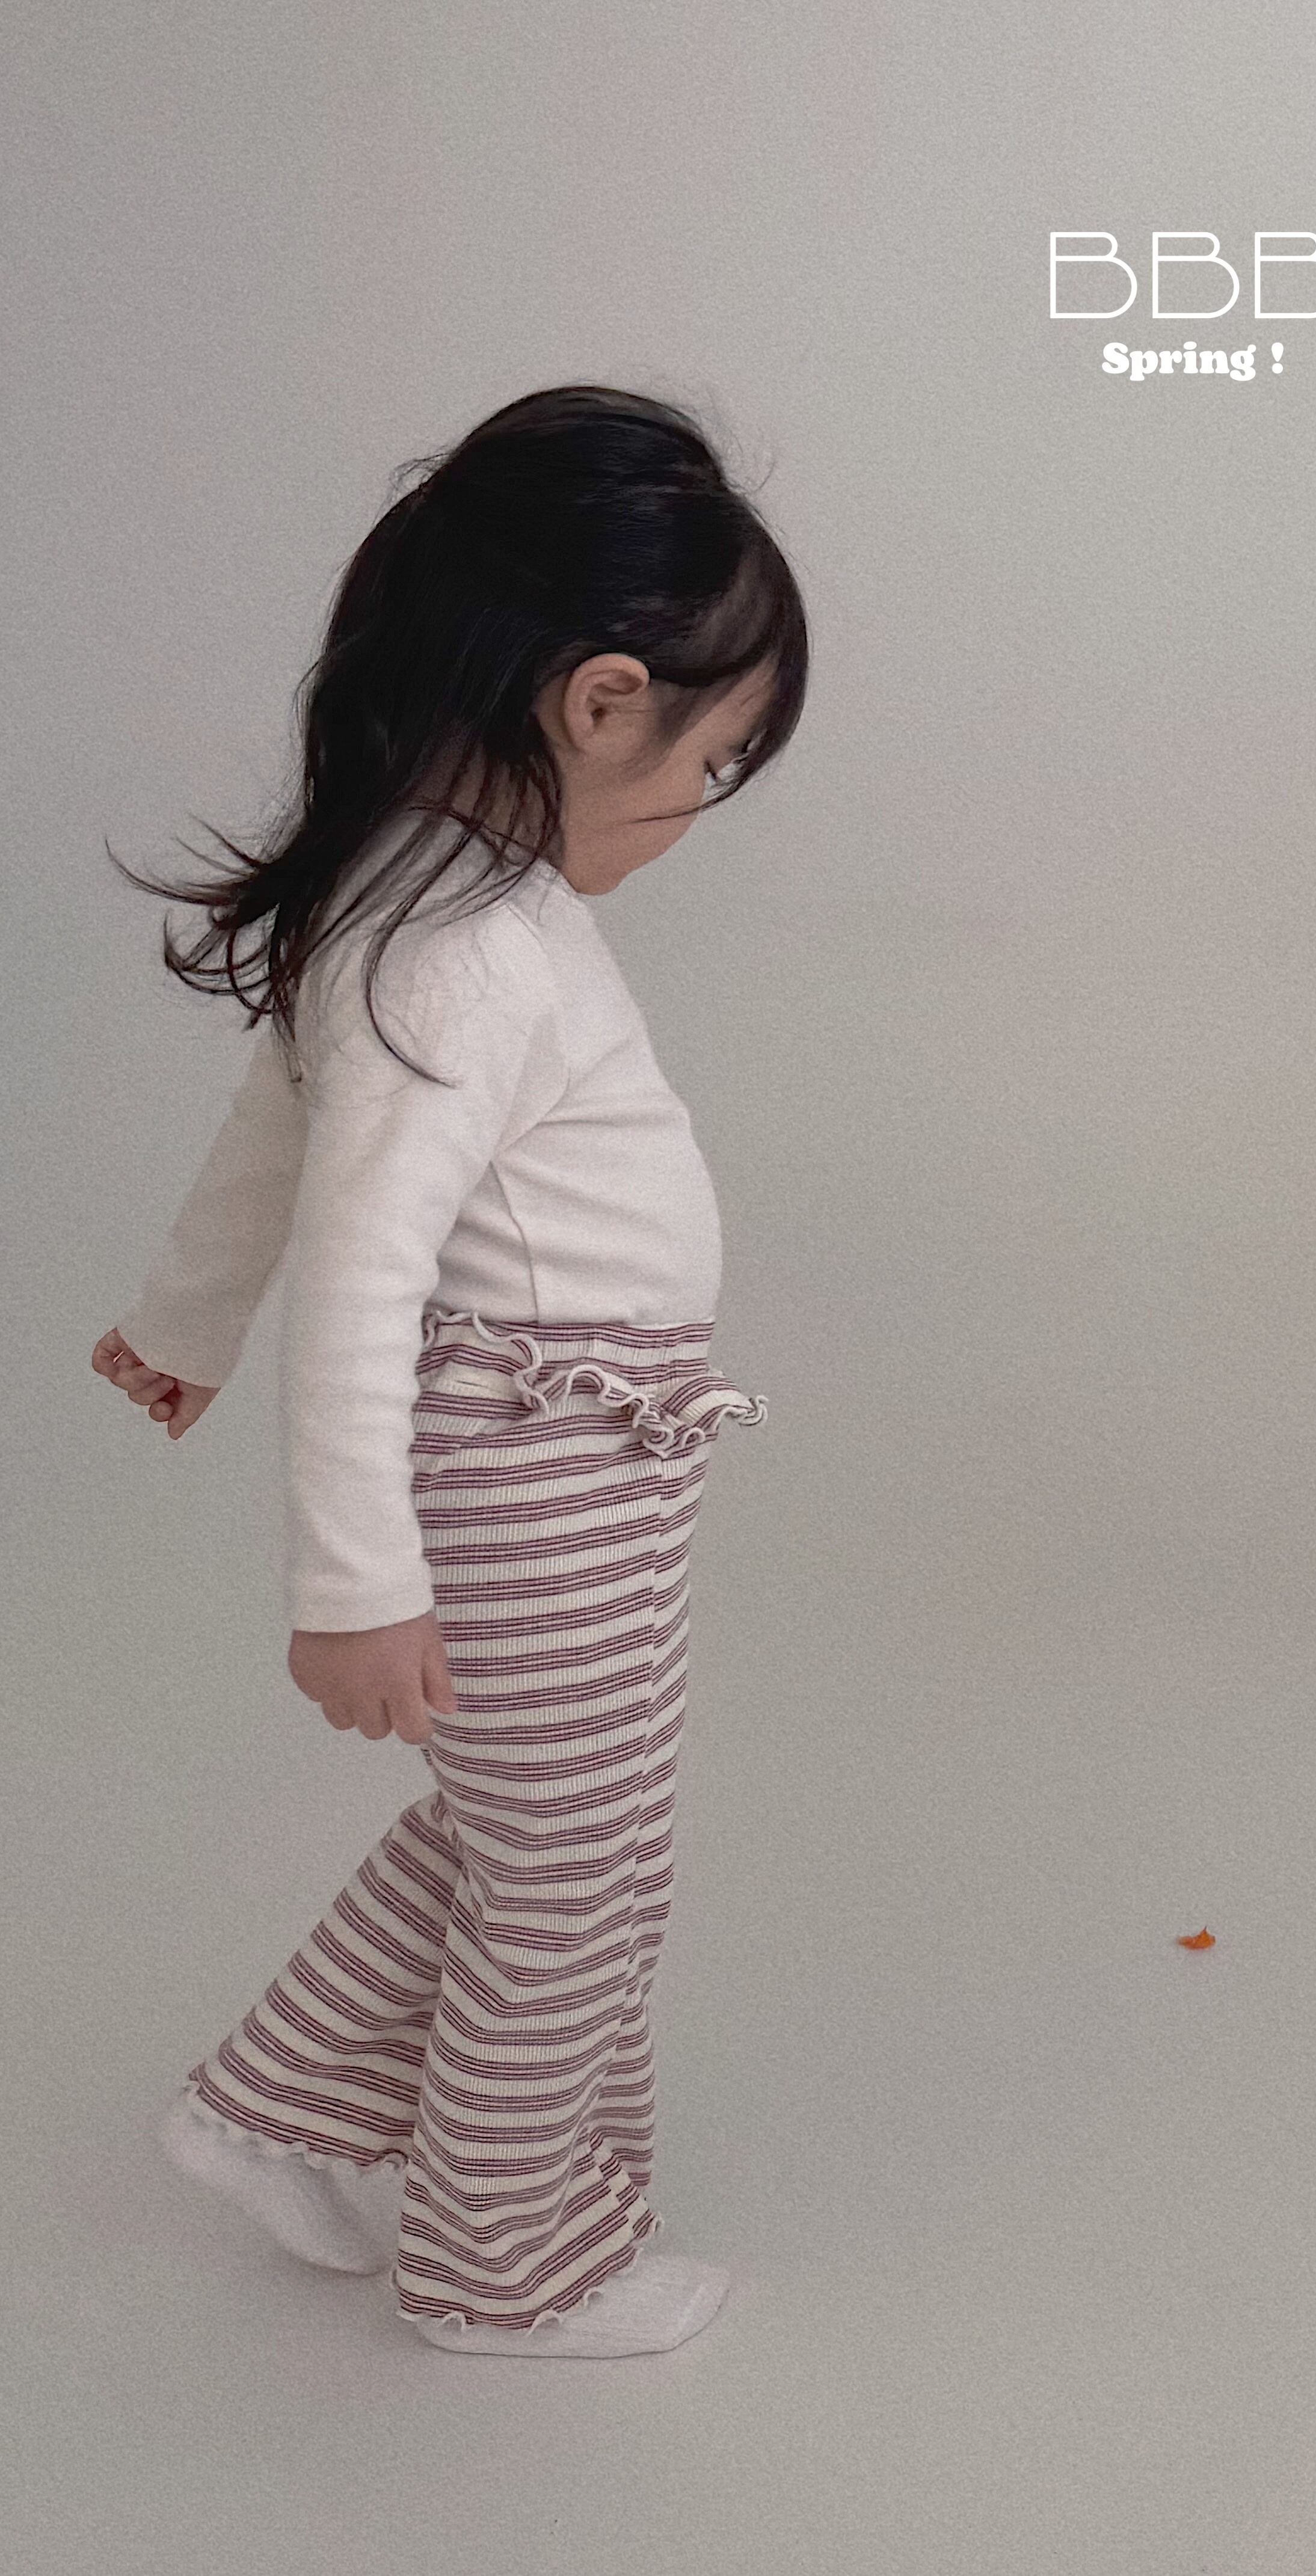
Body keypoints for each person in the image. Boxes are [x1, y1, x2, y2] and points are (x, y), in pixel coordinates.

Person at [90, 384, 807, 2358]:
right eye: (710, 760)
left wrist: (178, 1322)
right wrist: (355, 1584)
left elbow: (275, 1131)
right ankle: (510, 2261)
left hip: (580, 1452)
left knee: (528, 1828)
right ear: (598, 702)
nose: (698, 803)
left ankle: (286, 2115)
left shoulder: (423, 891)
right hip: (530, 1455)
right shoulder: (461, 947)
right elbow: (363, 1264)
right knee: (581, 1872)